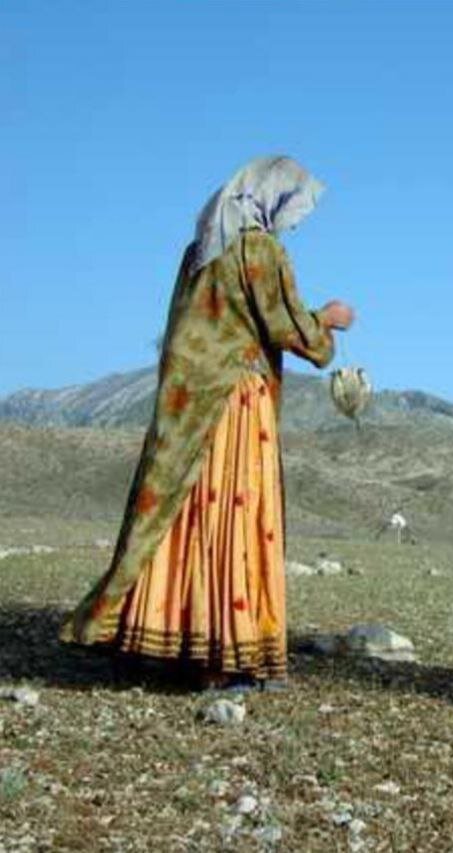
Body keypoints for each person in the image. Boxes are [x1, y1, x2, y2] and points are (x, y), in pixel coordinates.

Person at [60, 156, 354, 692]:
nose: (295, 221)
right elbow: (288, 327)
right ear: (273, 201)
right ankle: (226, 656)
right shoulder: (258, 249)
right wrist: (329, 322)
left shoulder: (199, 250)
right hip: (235, 401)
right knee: (233, 516)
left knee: (178, 511)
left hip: (187, 400)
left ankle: (149, 640)